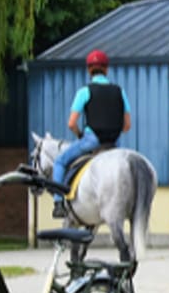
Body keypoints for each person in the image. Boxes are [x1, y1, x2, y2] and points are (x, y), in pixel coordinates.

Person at [52, 49, 132, 219]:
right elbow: (127, 126)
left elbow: (71, 123)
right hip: (113, 144)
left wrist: (80, 134)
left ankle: (58, 203)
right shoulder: (120, 91)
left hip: (92, 140)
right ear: (106, 69)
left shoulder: (84, 91)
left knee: (59, 161)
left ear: (89, 70)